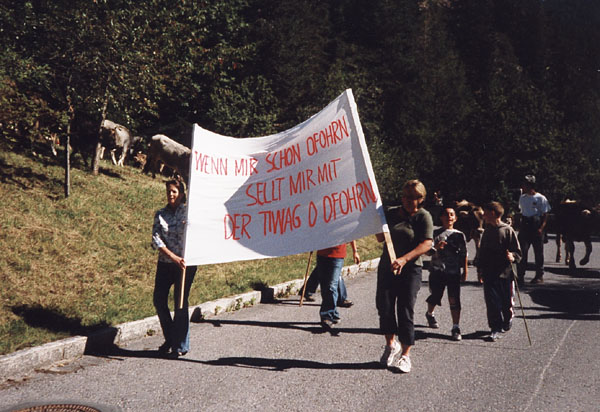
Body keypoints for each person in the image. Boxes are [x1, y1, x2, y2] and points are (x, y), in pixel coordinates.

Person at [376, 180, 433, 373]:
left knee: (405, 310)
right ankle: (391, 345)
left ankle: (406, 355)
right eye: (407, 196)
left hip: (410, 270)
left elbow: (426, 244)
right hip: (387, 268)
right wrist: (375, 219)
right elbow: (379, 237)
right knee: (384, 307)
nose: (410, 201)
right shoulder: (391, 213)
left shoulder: (423, 217)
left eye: (415, 197)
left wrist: (404, 259)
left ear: (421, 199)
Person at [151, 179, 197, 358]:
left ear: (182, 194)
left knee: (180, 302)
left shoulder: (189, 213)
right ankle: (171, 337)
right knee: (159, 300)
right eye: (169, 191)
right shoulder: (160, 214)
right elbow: (156, 238)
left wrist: (184, 257)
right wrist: (172, 257)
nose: (171, 195)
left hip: (185, 265)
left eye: (174, 192)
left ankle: (180, 345)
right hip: (166, 262)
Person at [475, 201, 522, 342]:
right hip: (490, 272)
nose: (483, 215)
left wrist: (512, 256)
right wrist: (479, 269)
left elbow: (518, 252)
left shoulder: (507, 230)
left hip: (505, 273)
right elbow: (482, 252)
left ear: (493, 213)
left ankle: (507, 318)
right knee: (492, 302)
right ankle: (494, 328)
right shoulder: (487, 231)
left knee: (506, 302)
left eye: (486, 212)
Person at [424, 206, 468, 341]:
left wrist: (465, 270)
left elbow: (464, 254)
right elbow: (426, 251)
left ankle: (456, 327)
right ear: (441, 217)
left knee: (454, 299)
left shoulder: (459, 235)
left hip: (453, 272)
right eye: (446, 214)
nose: (449, 217)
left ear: (455, 218)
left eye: (452, 215)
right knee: (436, 295)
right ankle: (430, 314)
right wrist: (436, 248)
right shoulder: (435, 233)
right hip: (437, 270)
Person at [313, 242, 360, 329]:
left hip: (337, 256)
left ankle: (326, 316)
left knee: (331, 285)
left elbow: (350, 232)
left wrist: (355, 251)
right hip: (322, 254)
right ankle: (334, 313)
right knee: (325, 286)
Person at [517, 175, 551, 285]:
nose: (523, 186)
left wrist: (541, 228)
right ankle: (520, 275)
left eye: (525, 184)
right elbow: (522, 211)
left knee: (538, 252)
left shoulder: (540, 198)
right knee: (522, 251)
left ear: (530, 185)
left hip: (536, 225)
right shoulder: (522, 198)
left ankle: (539, 275)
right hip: (525, 225)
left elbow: (545, 214)